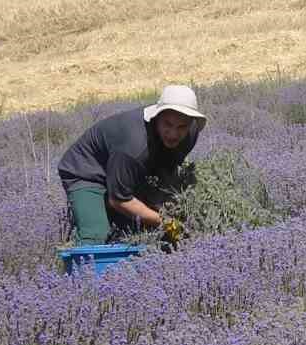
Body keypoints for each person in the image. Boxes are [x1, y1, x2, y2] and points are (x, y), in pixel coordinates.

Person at [57, 84, 205, 245]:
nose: (174, 134)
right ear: (156, 118)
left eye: (181, 127)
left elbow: (167, 168)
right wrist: (167, 222)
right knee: (96, 234)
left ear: (191, 124)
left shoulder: (190, 134)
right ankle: (78, 266)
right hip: (86, 172)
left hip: (123, 169)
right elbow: (120, 200)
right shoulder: (133, 146)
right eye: (167, 124)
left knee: (139, 227)